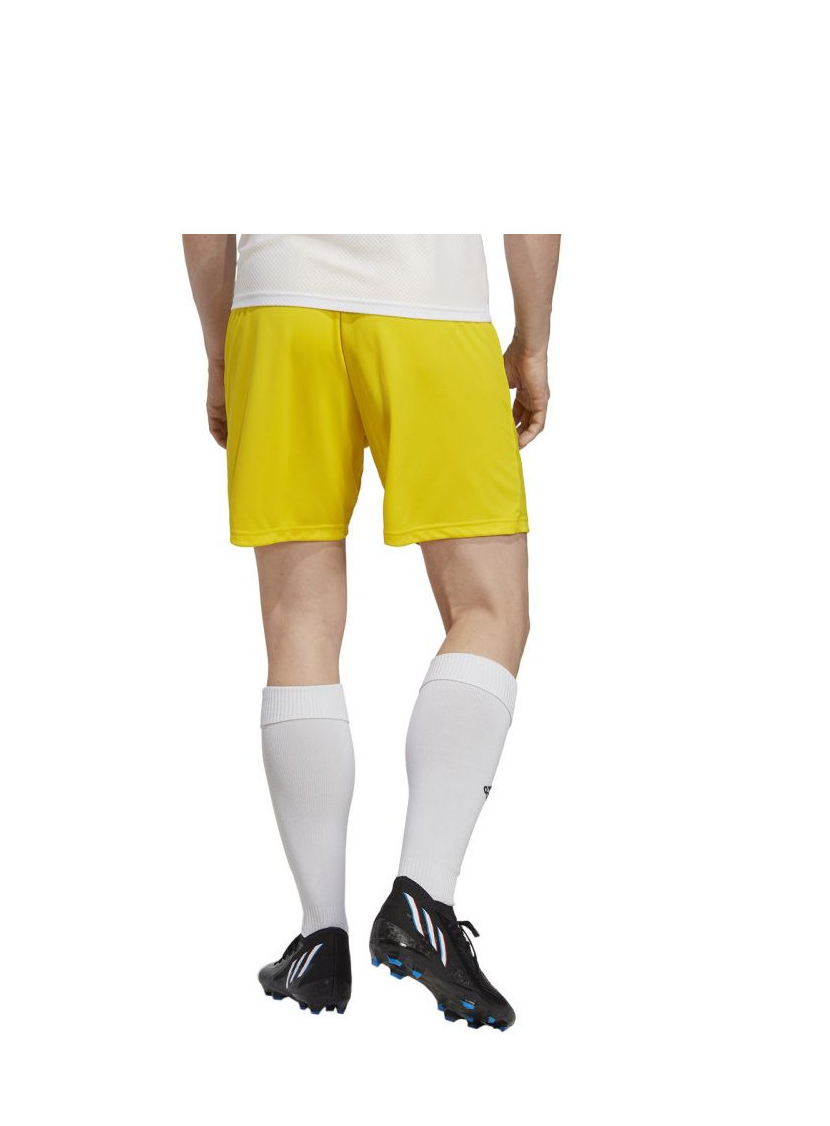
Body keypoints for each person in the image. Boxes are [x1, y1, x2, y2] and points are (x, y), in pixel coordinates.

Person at [183, 234, 560, 1031]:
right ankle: (423, 898)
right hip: (430, 298)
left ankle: (321, 939)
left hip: (278, 307)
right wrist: (533, 338)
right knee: (490, 608)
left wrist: (221, 351)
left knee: (298, 620)